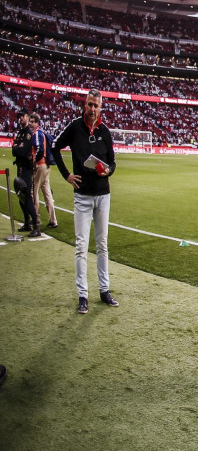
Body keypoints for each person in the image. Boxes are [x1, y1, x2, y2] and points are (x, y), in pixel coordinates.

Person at [51, 89, 118, 315]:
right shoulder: (74, 127)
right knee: (81, 247)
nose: (92, 109)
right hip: (82, 196)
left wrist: (108, 170)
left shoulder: (105, 132)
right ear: (85, 105)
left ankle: (104, 290)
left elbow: (113, 162)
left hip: (103, 194)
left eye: (96, 106)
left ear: (100, 107)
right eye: (89, 105)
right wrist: (66, 175)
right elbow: (55, 148)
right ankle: (82, 294)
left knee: (102, 245)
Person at [28, 113, 58, 230]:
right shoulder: (44, 133)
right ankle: (53, 220)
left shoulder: (37, 134)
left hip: (40, 165)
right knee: (47, 193)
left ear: (37, 123)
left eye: (32, 121)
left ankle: (36, 220)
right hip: (46, 165)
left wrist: (35, 162)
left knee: (34, 192)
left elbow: (39, 148)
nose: (30, 124)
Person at [11, 109, 38, 236]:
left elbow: (21, 151)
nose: (20, 118)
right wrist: (17, 148)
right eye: (19, 117)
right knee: (20, 196)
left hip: (26, 169)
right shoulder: (20, 133)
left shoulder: (28, 133)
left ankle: (36, 225)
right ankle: (27, 223)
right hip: (20, 167)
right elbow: (14, 150)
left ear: (27, 117)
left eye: (22, 116)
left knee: (27, 197)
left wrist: (17, 148)